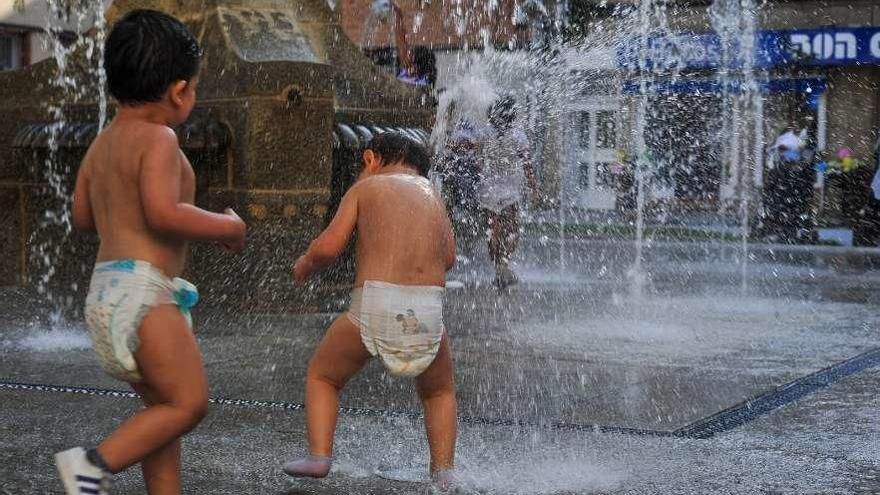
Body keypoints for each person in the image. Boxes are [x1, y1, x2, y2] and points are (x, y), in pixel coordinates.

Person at [54, 10, 247, 495]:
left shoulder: (102, 143)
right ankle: (90, 465)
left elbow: (82, 216)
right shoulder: (159, 137)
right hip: (143, 294)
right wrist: (226, 224)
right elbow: (163, 213)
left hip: (106, 294)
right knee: (188, 404)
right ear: (180, 91)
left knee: (163, 409)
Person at [283, 132, 458, 488]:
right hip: (427, 311)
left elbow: (329, 247)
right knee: (439, 391)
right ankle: (443, 471)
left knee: (324, 376)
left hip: (374, 305)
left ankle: (319, 456)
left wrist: (304, 263)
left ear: (370, 159)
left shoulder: (365, 188)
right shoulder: (433, 195)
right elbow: (450, 257)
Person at [477, 96, 537, 289]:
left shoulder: (484, 133)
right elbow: (527, 165)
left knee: (491, 230)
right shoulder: (519, 136)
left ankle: (498, 268)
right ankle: (504, 263)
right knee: (512, 230)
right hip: (510, 190)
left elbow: (477, 160)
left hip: (488, 189)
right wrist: (533, 188)